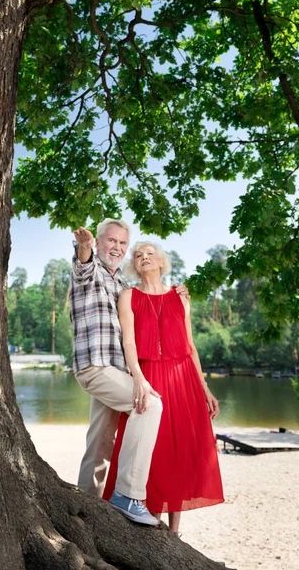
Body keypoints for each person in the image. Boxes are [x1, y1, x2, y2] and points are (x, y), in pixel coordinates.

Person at [103, 241, 224, 534]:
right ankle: (150, 521)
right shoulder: (128, 296)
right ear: (134, 265)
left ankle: (174, 531)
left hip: (184, 380)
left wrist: (204, 387)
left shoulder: (180, 297)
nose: (144, 258)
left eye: (150, 254)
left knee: (180, 452)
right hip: (149, 379)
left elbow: (191, 346)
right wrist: (138, 378)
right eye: (138, 255)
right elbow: (127, 342)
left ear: (161, 262)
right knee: (151, 450)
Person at [70, 219, 164, 526]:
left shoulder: (123, 286)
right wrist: (83, 246)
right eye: (111, 241)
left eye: (123, 244)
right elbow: (82, 261)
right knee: (150, 405)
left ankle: (84, 512)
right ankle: (127, 494)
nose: (118, 248)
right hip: (95, 366)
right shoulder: (90, 270)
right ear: (99, 243)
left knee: (100, 445)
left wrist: (177, 292)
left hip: (116, 370)